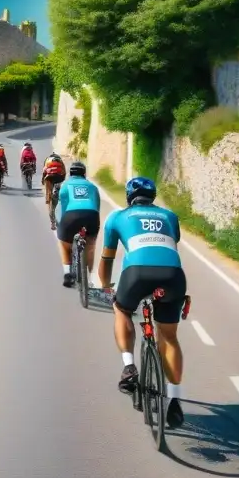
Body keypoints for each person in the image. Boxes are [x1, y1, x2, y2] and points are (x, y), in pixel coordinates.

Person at [97, 176, 188, 429]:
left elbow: (107, 258)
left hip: (136, 273)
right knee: (169, 337)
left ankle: (129, 367)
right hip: (172, 276)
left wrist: (105, 285)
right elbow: (172, 244)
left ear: (129, 197)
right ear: (153, 196)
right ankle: (176, 401)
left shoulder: (117, 217)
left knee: (121, 310)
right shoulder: (169, 216)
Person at [55, 161, 101, 288]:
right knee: (90, 246)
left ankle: (67, 273)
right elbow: (97, 207)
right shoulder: (92, 186)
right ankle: (89, 278)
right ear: (84, 174)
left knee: (64, 244)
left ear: (70, 173)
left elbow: (61, 209)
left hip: (70, 216)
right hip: (91, 216)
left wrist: (59, 224)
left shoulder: (65, 186)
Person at [41, 152, 66, 230]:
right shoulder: (60, 161)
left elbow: (44, 172)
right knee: (58, 196)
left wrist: (42, 180)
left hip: (49, 178)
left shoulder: (48, 160)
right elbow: (64, 172)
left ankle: (52, 222)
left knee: (49, 197)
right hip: (59, 177)